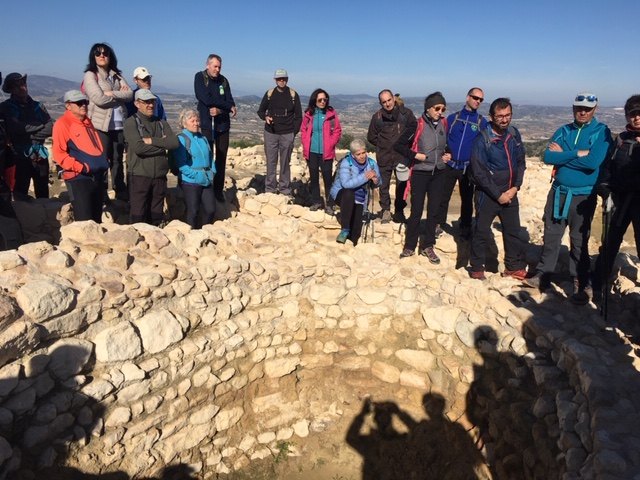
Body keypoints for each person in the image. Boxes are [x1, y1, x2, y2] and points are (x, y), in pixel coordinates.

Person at [525, 92, 613, 304]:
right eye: (579, 108)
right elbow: (547, 156)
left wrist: (563, 155)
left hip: (583, 196)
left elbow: (592, 162)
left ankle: (580, 280)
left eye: (587, 109)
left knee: (579, 239)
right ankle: (543, 274)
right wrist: (577, 153)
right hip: (558, 192)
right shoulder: (564, 130)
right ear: (573, 108)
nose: (582, 112)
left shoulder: (601, 132)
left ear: (594, 110)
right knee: (551, 234)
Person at [469, 98, 527, 280]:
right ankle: (477, 268)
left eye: (508, 115)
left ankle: (512, 267)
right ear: (491, 117)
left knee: (513, 231)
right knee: (481, 231)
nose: (504, 119)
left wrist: (515, 187)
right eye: (500, 116)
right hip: (488, 194)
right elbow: (479, 172)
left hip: (510, 192)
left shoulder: (513, 134)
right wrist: (498, 194)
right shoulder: (482, 139)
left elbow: (521, 163)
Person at [592, 96, 640, 298]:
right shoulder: (621, 139)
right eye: (632, 114)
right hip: (619, 199)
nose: (636, 118)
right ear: (627, 116)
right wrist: (604, 186)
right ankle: (597, 283)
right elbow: (608, 167)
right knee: (610, 242)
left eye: (639, 113)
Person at [396, 92, 451, 263]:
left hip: (439, 172)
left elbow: (446, 145)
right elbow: (398, 145)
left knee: (433, 211)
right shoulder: (417, 125)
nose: (440, 112)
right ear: (428, 108)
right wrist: (415, 155)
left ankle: (428, 246)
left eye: (443, 109)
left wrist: (448, 154)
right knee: (416, 211)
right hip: (420, 173)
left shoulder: (443, 124)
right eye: (437, 108)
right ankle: (410, 246)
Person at [83, 42, 133, 201]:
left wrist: (110, 93)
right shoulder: (91, 75)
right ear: (93, 56)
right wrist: (118, 95)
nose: (102, 56)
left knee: (117, 159)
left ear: (110, 56)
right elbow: (98, 99)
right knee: (102, 159)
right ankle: (102, 191)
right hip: (100, 125)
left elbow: (130, 95)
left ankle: (120, 189)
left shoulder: (116, 75)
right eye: (98, 53)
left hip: (119, 124)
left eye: (105, 53)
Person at [52, 90, 109, 222]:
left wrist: (103, 161)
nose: (83, 105)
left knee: (97, 219)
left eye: (85, 102)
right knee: (84, 219)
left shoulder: (87, 122)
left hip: (97, 176)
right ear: (68, 105)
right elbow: (59, 154)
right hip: (79, 178)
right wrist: (81, 167)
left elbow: (96, 146)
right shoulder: (62, 124)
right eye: (79, 103)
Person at [123, 89, 178, 225]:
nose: (151, 105)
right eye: (146, 102)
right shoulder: (131, 123)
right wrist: (162, 145)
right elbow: (139, 148)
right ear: (137, 104)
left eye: (152, 101)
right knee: (138, 215)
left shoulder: (161, 123)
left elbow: (173, 143)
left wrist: (152, 140)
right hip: (139, 175)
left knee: (156, 215)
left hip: (159, 176)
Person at [443, 87, 489, 239]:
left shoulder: (481, 122)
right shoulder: (453, 118)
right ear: (467, 97)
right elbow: (443, 139)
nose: (478, 101)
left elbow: (485, 145)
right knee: (443, 197)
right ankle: (438, 223)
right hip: (450, 165)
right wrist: (444, 153)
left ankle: (465, 226)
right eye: (475, 98)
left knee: (467, 199)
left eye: (481, 99)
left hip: (468, 167)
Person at [0, 73, 53, 199]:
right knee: (20, 193)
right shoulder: (5, 107)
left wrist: (29, 133)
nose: (22, 87)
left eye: (23, 84)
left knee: (43, 192)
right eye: (17, 86)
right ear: (11, 89)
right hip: (19, 157)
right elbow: (15, 128)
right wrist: (40, 125)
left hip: (40, 156)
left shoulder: (38, 106)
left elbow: (50, 127)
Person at [367, 89, 417, 224]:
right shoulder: (377, 117)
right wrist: (383, 145)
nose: (387, 104)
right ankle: (386, 210)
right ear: (380, 103)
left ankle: (399, 212)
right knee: (384, 185)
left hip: (402, 156)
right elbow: (371, 137)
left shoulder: (406, 114)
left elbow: (414, 129)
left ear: (393, 99)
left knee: (402, 185)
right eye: (384, 102)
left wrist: (404, 144)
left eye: (389, 100)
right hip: (384, 156)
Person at [194, 54, 236, 202]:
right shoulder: (200, 77)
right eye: (215, 66)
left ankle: (218, 191)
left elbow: (230, 100)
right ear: (208, 65)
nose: (217, 69)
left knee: (221, 158)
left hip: (222, 125)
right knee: (207, 157)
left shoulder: (223, 81)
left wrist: (221, 109)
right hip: (207, 124)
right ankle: (206, 189)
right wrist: (228, 107)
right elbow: (205, 98)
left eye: (219, 67)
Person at [257, 69, 302, 197]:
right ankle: (270, 189)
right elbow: (260, 111)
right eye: (279, 79)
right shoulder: (270, 94)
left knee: (285, 163)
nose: (281, 81)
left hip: (287, 133)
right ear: (275, 80)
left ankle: (284, 189)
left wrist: (293, 133)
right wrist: (265, 117)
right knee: (271, 162)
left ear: (287, 79)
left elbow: (299, 116)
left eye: (284, 79)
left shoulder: (293, 95)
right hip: (271, 132)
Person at [330, 139, 381, 246]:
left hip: (361, 199)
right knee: (349, 193)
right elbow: (346, 184)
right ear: (353, 155)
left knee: (356, 229)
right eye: (358, 154)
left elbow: (379, 182)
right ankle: (344, 229)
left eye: (363, 152)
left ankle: (351, 247)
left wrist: (375, 180)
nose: (362, 156)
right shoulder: (346, 163)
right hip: (342, 195)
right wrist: (365, 177)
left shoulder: (371, 163)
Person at [300, 88, 342, 214]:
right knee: (314, 178)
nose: (323, 102)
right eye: (320, 100)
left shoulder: (331, 114)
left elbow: (337, 130)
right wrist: (305, 142)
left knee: (327, 179)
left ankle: (330, 204)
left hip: (326, 152)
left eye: (325, 99)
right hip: (312, 151)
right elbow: (303, 129)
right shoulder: (309, 114)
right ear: (315, 100)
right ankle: (316, 202)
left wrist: (331, 143)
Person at [173, 108, 216, 229]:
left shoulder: (203, 138)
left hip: (206, 178)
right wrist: (196, 176)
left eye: (197, 120)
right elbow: (181, 164)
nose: (196, 123)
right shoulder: (181, 139)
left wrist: (213, 171)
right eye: (192, 121)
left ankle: (205, 231)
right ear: (184, 123)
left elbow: (210, 156)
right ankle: (191, 234)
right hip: (191, 181)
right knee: (193, 211)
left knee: (210, 209)